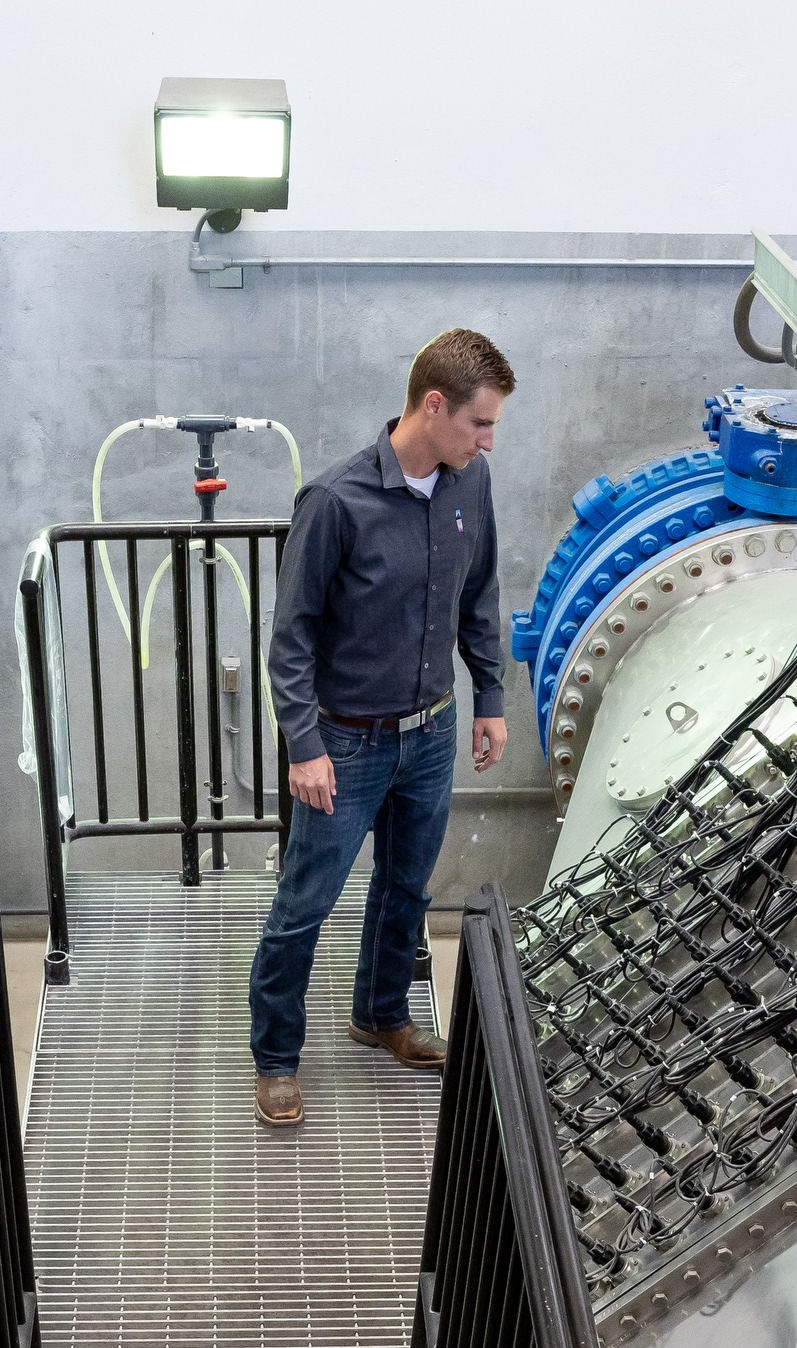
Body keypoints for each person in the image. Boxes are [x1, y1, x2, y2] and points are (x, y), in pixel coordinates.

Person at [248, 328, 512, 1128]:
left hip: (431, 736)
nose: (490, 439)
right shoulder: (335, 502)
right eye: (480, 423)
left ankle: (382, 1016)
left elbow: (481, 595)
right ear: (433, 407)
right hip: (347, 743)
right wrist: (305, 746)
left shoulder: (472, 483)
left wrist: (491, 698)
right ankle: (277, 1058)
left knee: (406, 888)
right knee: (307, 902)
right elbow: (290, 636)